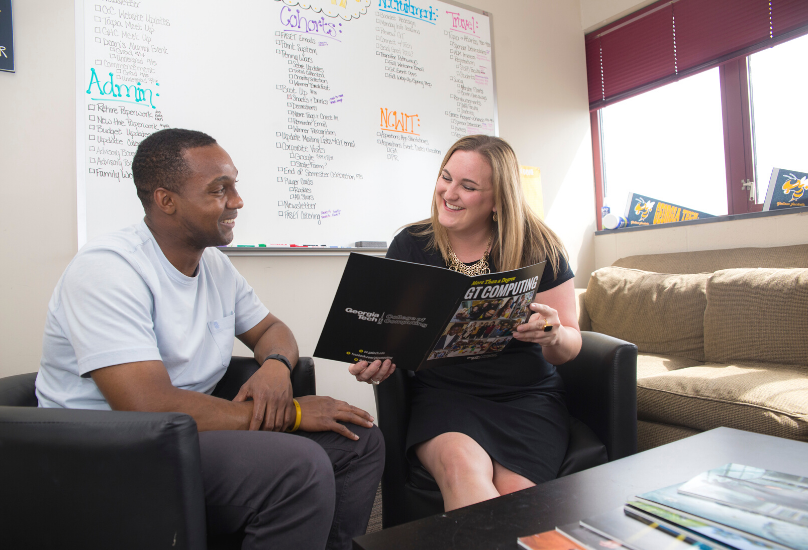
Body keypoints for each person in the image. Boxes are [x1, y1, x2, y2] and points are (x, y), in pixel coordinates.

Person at [35, 128, 385, 550]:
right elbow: (147, 408)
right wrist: (290, 413)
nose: (236, 200)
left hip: (190, 437)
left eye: (234, 185)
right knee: (300, 465)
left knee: (360, 443)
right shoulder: (108, 270)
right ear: (166, 200)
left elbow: (273, 331)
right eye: (220, 189)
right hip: (110, 453)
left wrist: (275, 365)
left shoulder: (215, 266)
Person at [349, 134, 581, 512]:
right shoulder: (411, 244)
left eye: (467, 186)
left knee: (517, 497)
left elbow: (570, 347)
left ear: (497, 201)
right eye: (446, 178)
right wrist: (375, 360)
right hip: (444, 396)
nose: (449, 193)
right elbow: (385, 334)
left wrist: (552, 334)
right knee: (462, 468)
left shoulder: (541, 246)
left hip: (525, 398)